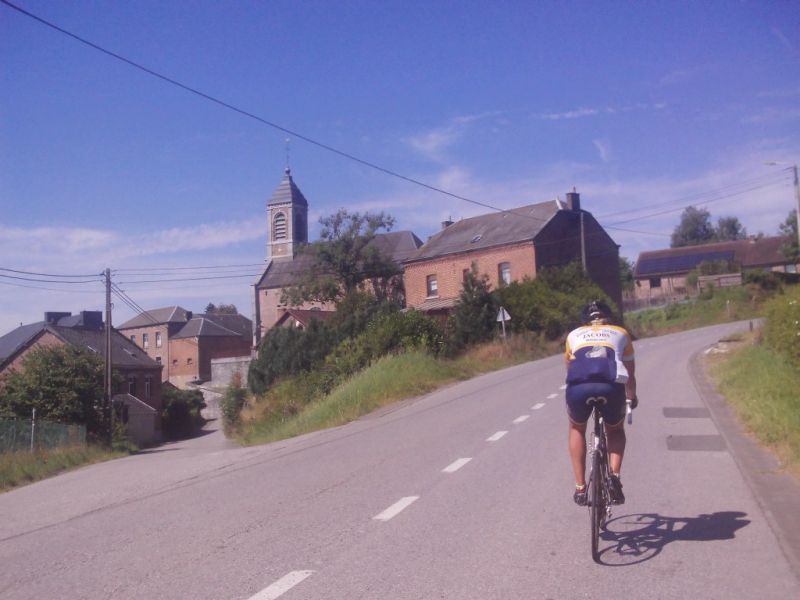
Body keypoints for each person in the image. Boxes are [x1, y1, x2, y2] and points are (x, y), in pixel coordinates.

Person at [565, 301, 638, 506]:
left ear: (585, 322)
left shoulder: (573, 335)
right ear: (609, 318)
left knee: (577, 428)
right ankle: (614, 476)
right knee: (615, 430)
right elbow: (630, 373)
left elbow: (570, 369)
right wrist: (632, 397)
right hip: (611, 387)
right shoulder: (621, 333)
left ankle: (580, 488)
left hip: (580, 389)